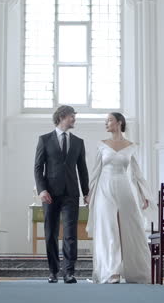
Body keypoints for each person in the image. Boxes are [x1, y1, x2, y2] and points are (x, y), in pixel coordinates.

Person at [86, 112, 157, 284]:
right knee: (108, 227)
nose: (106, 124)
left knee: (130, 227)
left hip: (124, 187)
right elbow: (96, 171)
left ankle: (135, 271)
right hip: (104, 187)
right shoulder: (102, 145)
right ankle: (112, 271)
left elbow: (136, 173)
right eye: (106, 121)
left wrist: (143, 195)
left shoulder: (131, 146)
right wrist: (90, 192)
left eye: (109, 120)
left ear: (119, 123)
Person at [34, 105, 89, 284]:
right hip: (49, 194)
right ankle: (53, 271)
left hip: (71, 194)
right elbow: (38, 168)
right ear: (62, 116)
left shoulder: (78, 142)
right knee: (50, 233)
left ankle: (69, 272)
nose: (74, 119)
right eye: (72, 116)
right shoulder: (44, 139)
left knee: (70, 233)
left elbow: (82, 170)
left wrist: (87, 193)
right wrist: (42, 189)